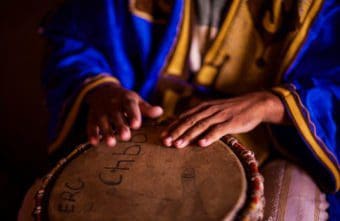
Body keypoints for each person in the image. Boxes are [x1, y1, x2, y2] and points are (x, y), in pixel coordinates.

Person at [39, 0, 339, 220]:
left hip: (274, 145)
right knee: (44, 204)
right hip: (145, 134)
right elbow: (70, 39)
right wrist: (100, 89)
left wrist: (271, 104)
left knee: (294, 210)